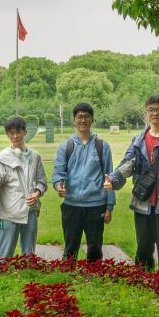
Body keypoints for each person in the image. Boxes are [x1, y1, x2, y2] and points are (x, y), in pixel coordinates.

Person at [105, 96, 159, 271]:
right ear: (146, 113)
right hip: (142, 202)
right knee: (143, 247)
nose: (155, 113)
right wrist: (113, 179)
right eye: (151, 110)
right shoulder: (138, 141)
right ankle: (143, 278)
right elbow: (127, 164)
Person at [51, 102, 114, 261]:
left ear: (92, 119)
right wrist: (58, 185)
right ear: (74, 120)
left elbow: (109, 178)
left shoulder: (102, 146)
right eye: (79, 117)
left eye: (87, 116)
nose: (83, 120)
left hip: (96, 205)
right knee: (70, 249)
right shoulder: (66, 146)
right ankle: (68, 275)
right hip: (71, 205)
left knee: (95, 249)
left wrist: (109, 207)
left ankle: (94, 275)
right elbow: (58, 173)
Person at [0, 116, 47, 257]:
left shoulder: (35, 156)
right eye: (11, 133)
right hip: (9, 211)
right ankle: (2, 271)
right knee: (4, 254)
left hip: (30, 210)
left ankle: (28, 271)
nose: (15, 136)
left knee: (29, 254)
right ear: (7, 134)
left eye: (18, 132)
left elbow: (42, 181)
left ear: (25, 132)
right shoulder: (2, 157)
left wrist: (37, 193)